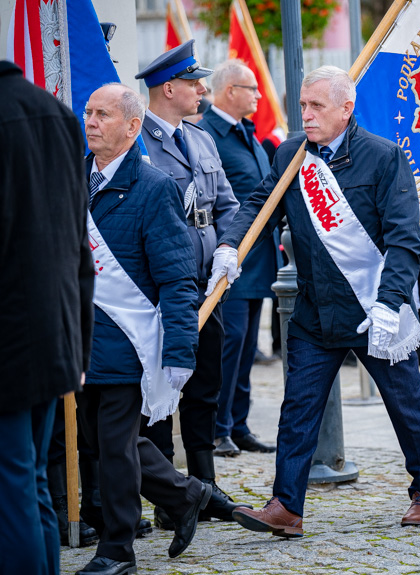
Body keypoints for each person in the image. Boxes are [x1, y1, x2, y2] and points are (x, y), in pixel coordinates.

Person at [209, 66, 420, 536]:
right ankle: (286, 507)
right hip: (315, 311)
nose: (307, 115)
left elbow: (404, 240)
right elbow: (257, 206)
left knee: (406, 403)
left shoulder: (383, 158)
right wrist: (229, 245)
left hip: (374, 309)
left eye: (317, 106)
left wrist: (389, 301)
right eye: (303, 105)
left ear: (346, 108)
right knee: (297, 407)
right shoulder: (292, 156)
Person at [74, 83, 214, 575]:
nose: (90, 121)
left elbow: (178, 279)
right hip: (78, 342)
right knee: (101, 442)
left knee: (114, 448)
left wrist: (180, 351)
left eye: (102, 114)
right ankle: (186, 495)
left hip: (125, 343)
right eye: (88, 113)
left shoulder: (154, 189)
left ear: (132, 127)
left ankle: (117, 550)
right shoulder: (73, 179)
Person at [135, 39, 246, 527]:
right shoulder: (138, 140)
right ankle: (168, 494)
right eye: (194, 82)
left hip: (207, 281)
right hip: (159, 285)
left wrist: (227, 246)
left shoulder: (200, 138)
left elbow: (228, 204)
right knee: (161, 385)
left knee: (205, 383)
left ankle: (204, 482)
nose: (203, 89)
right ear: (168, 88)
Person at [0, 58, 93, 575]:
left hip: (11, 335)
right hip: (53, 331)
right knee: (30, 477)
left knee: (13, 483)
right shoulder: (56, 114)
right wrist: (76, 342)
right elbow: (75, 245)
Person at [197, 59, 279, 457]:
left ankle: (238, 423)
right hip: (230, 258)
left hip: (258, 258)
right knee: (228, 346)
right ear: (230, 91)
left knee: (246, 347)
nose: (258, 96)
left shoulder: (247, 132)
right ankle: (217, 427)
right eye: (252, 89)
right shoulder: (207, 131)